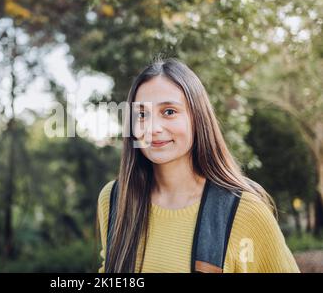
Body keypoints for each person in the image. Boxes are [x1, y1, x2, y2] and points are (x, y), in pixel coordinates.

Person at [97, 58, 300, 273]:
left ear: (198, 118)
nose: (153, 127)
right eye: (142, 114)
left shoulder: (245, 210)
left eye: (169, 112)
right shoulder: (114, 199)